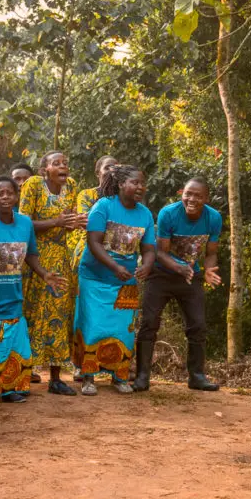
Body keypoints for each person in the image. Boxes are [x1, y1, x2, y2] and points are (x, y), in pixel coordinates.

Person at [0, 176, 66, 404]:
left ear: (17, 196)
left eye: (9, 193)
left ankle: (9, 389)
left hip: (13, 295)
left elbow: (30, 254)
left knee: (14, 344)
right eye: (0, 193)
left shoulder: (25, 223)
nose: (5, 197)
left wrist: (44, 274)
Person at [133, 177, 223, 392]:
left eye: (197, 196)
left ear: (206, 199)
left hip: (190, 276)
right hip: (161, 275)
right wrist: (179, 268)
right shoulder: (168, 213)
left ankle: (197, 376)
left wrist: (210, 270)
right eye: (188, 194)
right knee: (149, 322)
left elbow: (211, 253)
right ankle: (142, 376)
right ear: (182, 193)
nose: (191, 199)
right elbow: (160, 252)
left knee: (198, 325)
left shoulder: (213, 218)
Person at [72, 165, 156, 395]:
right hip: (95, 278)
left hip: (125, 281)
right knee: (93, 326)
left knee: (123, 329)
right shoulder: (103, 207)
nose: (140, 187)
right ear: (121, 185)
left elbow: (149, 248)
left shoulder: (145, 214)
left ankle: (118, 376)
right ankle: (88, 377)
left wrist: (146, 265)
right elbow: (94, 242)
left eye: (142, 183)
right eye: (135, 183)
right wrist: (115, 266)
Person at [19, 151, 80, 394]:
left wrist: (77, 222)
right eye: (56, 163)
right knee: (31, 312)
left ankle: (55, 378)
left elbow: (69, 221)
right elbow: (23, 223)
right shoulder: (33, 185)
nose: (63, 166)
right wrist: (56, 222)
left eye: (65, 162)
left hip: (60, 255)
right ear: (44, 169)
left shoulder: (72, 186)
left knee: (59, 314)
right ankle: (24, 375)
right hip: (34, 257)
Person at [69, 155, 118, 270]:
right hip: (88, 253)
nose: (111, 171)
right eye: (107, 167)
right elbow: (88, 222)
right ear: (97, 173)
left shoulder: (122, 198)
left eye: (115, 168)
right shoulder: (86, 195)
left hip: (116, 256)